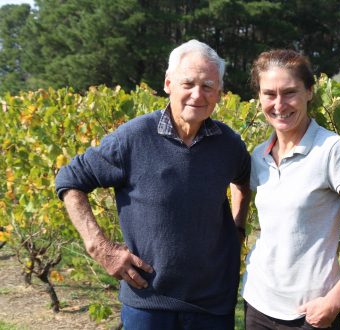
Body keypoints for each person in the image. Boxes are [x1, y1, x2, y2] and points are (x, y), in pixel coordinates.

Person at [55, 40, 251, 330]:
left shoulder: (229, 143)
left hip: (214, 305)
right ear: (168, 84)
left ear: (219, 93)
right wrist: (100, 247)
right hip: (149, 304)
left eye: (208, 86)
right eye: (188, 83)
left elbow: (244, 181)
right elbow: (70, 181)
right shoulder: (133, 137)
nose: (198, 94)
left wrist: (238, 225)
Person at [242, 50, 340, 330]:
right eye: (269, 94)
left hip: (309, 313)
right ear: (259, 97)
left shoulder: (331, 150)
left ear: (309, 92)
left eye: (289, 92)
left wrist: (334, 302)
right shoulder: (259, 154)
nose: (279, 104)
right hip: (258, 303)